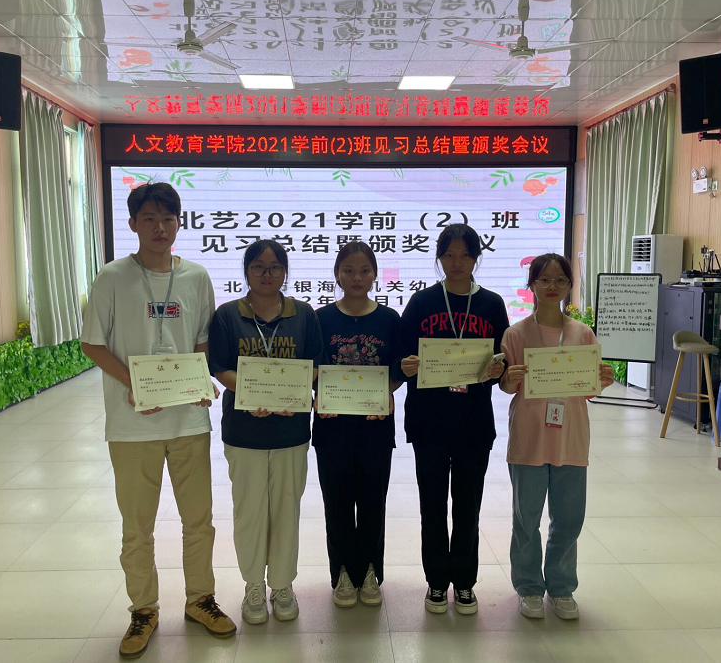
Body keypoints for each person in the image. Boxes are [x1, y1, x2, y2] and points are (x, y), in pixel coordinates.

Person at [81, 182, 235, 660]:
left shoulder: (196, 277)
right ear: (132, 224)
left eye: (168, 218)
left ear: (179, 223)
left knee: (199, 521)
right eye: (149, 218)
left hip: (188, 421)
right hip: (132, 425)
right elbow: (91, 343)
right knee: (137, 526)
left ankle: (200, 599)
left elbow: (204, 340)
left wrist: (201, 379)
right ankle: (143, 609)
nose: (159, 227)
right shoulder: (112, 277)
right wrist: (132, 383)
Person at [208, 239, 324, 625]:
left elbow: (315, 365)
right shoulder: (227, 315)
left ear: (285, 272)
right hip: (244, 431)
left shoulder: (303, 314)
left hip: (291, 430)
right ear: (247, 272)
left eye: (275, 267)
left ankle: (283, 584)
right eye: (258, 267)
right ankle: (254, 585)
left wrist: (293, 391)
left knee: (286, 509)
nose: (267, 274)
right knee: (249, 511)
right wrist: (250, 391)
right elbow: (219, 366)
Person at [397, 224, 509, 615]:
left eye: (464, 254)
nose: (456, 262)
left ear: (476, 257)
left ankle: (463, 582)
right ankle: (436, 582)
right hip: (428, 422)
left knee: (467, 507)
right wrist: (406, 365)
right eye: (449, 255)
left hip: (473, 423)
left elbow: (503, 358)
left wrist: (499, 369)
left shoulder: (491, 304)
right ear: (439, 257)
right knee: (431, 506)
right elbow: (401, 355)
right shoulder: (422, 302)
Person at [499, 253, 614, 621]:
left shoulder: (582, 333)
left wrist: (602, 380)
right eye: (544, 279)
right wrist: (508, 379)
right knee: (526, 519)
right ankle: (529, 587)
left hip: (571, 438)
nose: (552, 286)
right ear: (532, 284)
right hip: (529, 438)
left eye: (560, 280)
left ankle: (562, 587)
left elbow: (589, 389)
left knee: (569, 518)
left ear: (569, 286)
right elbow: (505, 386)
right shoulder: (516, 333)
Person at [313, 242, 403, 608]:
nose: (356, 277)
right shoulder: (320, 318)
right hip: (331, 426)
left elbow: (397, 369)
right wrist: (318, 394)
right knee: (336, 504)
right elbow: (313, 367)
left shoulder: (390, 319)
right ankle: (342, 574)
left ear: (374, 274)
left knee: (372, 503)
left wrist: (387, 392)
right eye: (348, 270)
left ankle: (369, 572)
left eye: (364, 270)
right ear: (337, 274)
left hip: (374, 426)